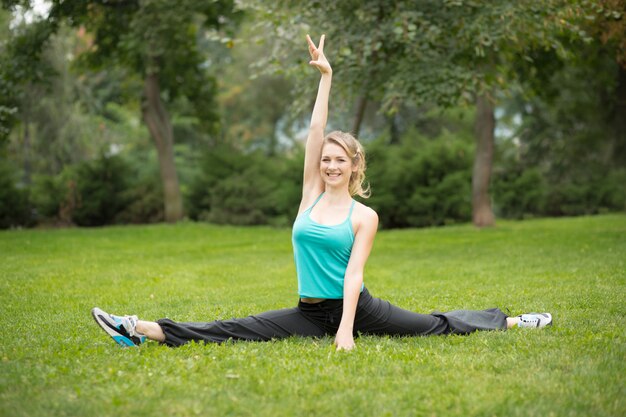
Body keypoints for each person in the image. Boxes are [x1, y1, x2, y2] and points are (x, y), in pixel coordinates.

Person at [92, 34, 552, 350]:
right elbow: (316, 129)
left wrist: (348, 330)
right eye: (326, 159)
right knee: (237, 329)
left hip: (359, 310)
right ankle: (139, 330)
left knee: (433, 327)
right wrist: (325, 77)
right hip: (307, 312)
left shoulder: (362, 216)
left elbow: (353, 277)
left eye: (339, 160)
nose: (330, 165)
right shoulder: (310, 193)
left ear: (354, 166)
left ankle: (510, 321)